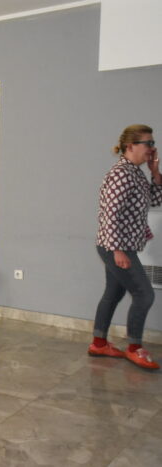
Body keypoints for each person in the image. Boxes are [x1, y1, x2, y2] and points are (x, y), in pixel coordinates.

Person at [90, 124, 161, 370]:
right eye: (148, 143)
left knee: (114, 293)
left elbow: (156, 200)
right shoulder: (121, 173)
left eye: (153, 143)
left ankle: (99, 343)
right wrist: (117, 250)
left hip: (118, 245)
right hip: (116, 246)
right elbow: (110, 214)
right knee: (145, 294)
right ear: (130, 146)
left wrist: (155, 172)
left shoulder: (136, 173)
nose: (152, 148)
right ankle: (134, 348)